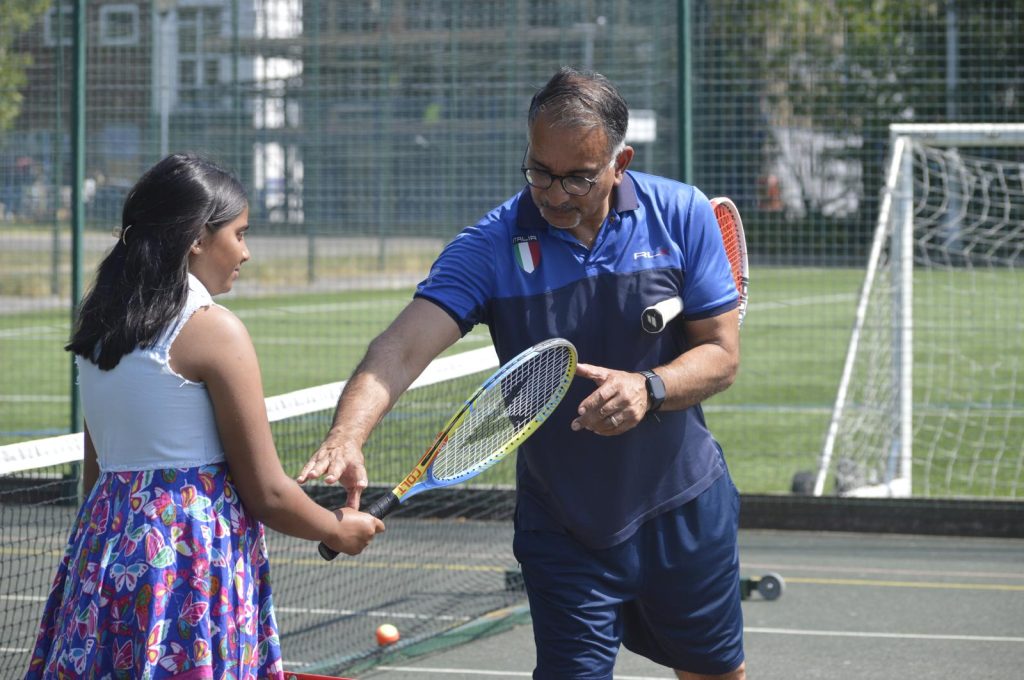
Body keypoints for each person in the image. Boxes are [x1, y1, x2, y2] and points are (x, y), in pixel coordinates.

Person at [298, 67, 745, 679]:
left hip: (685, 505)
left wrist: (651, 388)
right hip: (564, 526)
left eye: (578, 178)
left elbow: (721, 354)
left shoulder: (682, 213)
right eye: (539, 171)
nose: (555, 193)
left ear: (621, 162)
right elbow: (400, 348)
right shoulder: (489, 245)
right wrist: (347, 434)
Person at [25, 153, 385, 679]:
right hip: (186, 566)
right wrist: (336, 529)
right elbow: (267, 493)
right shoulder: (215, 330)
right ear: (197, 238)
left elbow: (96, 476)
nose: (246, 251)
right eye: (239, 233)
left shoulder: (100, 328)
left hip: (101, 556)